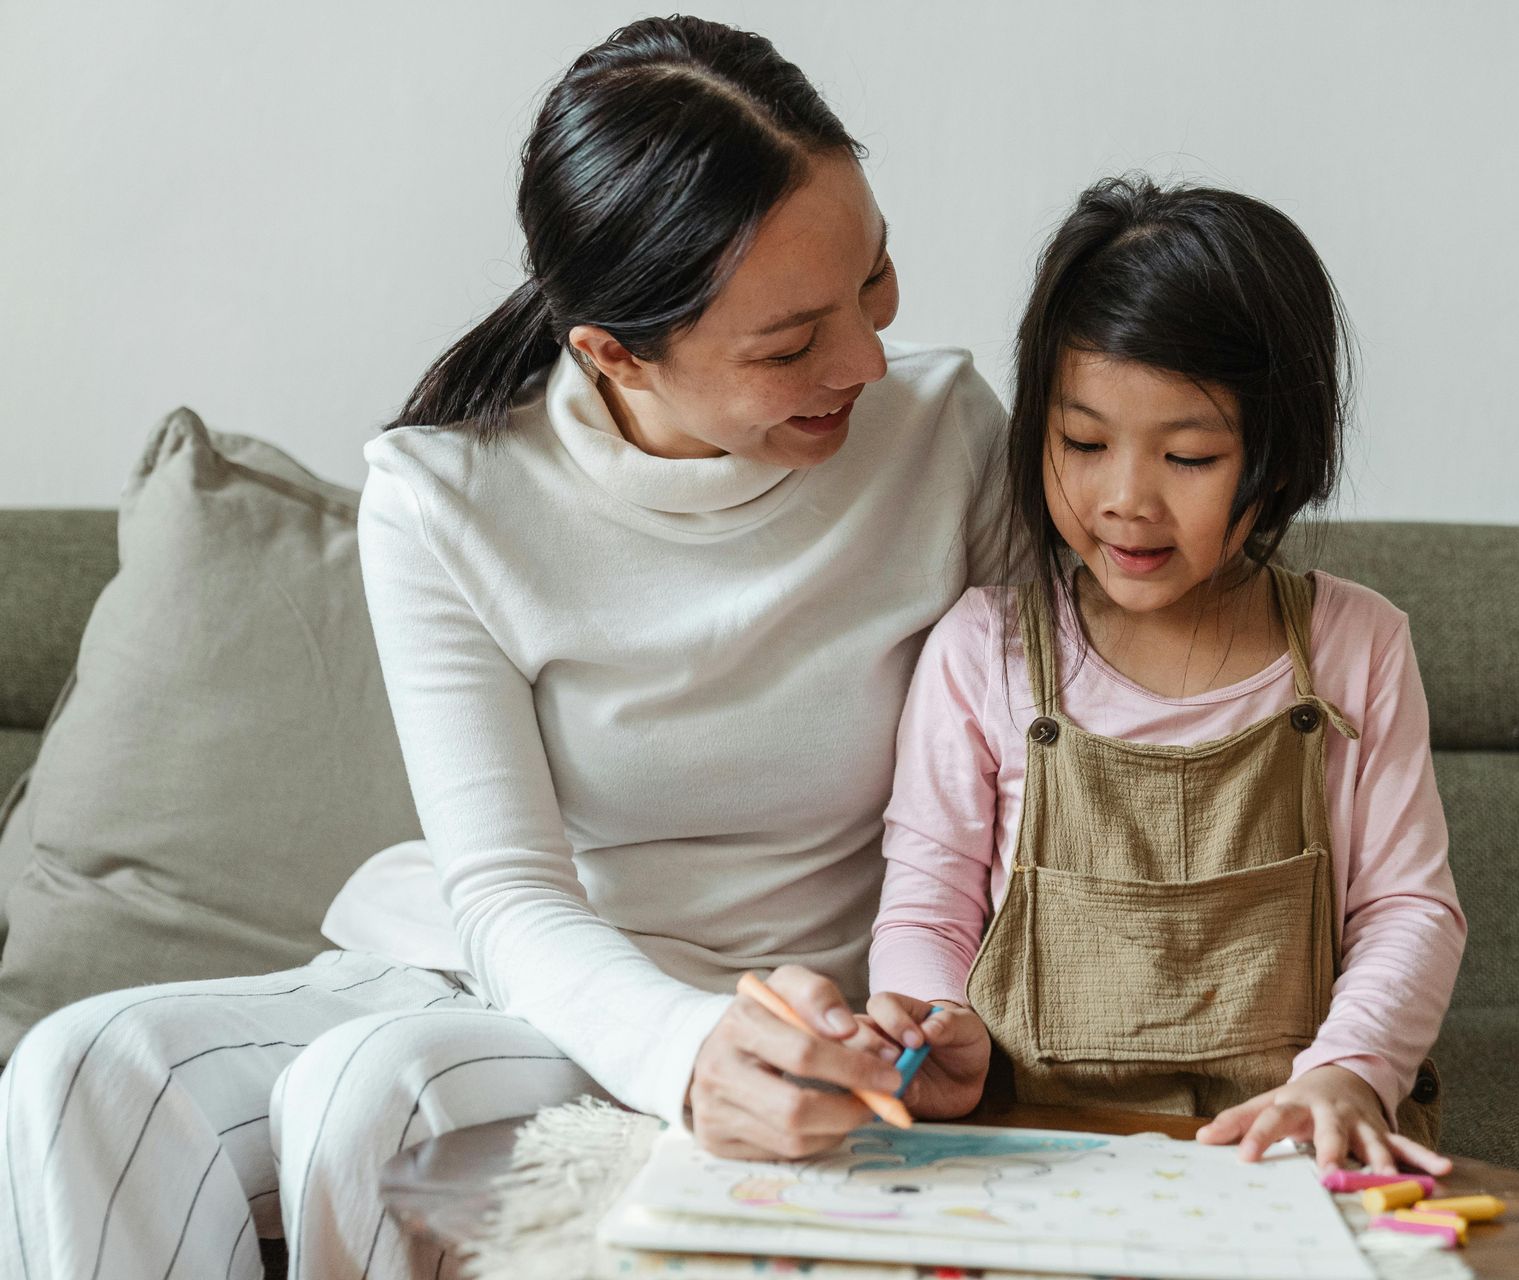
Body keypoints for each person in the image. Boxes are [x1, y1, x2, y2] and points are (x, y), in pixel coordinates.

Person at [0, 17, 1004, 1280]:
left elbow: (1044, 772)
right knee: (79, 1068)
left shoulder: (945, 435)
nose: (866, 355)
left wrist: (937, 1007)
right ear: (612, 348)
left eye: (875, 278)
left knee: (374, 1097)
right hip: (511, 971)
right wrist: (687, 1051)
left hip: (778, 1003)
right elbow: (508, 893)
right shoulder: (441, 496)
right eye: (790, 343)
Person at [862, 176, 1466, 1175]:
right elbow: (926, 909)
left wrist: (1352, 1069)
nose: (1124, 498)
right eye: (1084, 443)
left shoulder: (1357, 645)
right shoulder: (983, 650)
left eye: (1187, 455)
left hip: (1280, 1146)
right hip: (1028, 1144)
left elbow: (1410, 907)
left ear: (1275, 457)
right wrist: (933, 1025)